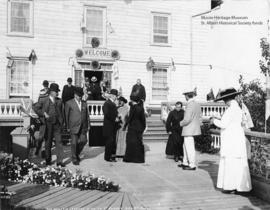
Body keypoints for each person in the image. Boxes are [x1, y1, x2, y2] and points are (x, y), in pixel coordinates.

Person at [211, 88, 252, 193]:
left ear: (226, 99)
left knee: (230, 162)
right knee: (238, 162)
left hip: (231, 140)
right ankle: (240, 186)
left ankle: (231, 186)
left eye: (224, 100)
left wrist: (214, 120)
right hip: (237, 138)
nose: (224, 103)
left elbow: (223, 124)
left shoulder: (230, 109)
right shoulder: (237, 108)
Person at [33, 83, 65, 167]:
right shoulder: (43, 100)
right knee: (48, 143)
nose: (57, 93)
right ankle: (48, 160)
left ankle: (59, 161)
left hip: (57, 124)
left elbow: (62, 113)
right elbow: (35, 108)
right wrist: (43, 113)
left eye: (58, 91)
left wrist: (62, 123)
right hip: (48, 124)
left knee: (59, 142)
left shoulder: (59, 101)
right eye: (55, 91)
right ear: (51, 92)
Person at [65, 87, 90, 165]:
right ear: (75, 95)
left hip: (83, 126)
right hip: (73, 126)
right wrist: (67, 126)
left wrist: (88, 124)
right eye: (78, 96)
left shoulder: (84, 103)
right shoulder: (69, 103)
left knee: (84, 141)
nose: (80, 97)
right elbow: (66, 115)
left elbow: (87, 115)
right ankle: (74, 159)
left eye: (81, 96)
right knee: (74, 143)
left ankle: (76, 153)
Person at [179, 89, 201, 170]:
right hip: (193, 128)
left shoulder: (189, 105)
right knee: (185, 146)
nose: (185, 97)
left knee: (189, 148)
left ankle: (192, 164)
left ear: (187, 96)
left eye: (185, 95)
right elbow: (199, 117)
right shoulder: (197, 104)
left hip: (188, 129)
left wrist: (180, 123)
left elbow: (187, 119)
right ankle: (185, 162)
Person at [123, 95, 146, 163]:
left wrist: (125, 126)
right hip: (139, 128)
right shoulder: (141, 108)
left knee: (130, 143)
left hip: (132, 127)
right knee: (138, 143)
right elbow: (143, 119)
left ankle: (130, 158)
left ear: (133, 101)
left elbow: (129, 118)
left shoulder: (132, 108)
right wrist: (143, 127)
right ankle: (139, 159)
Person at [102, 89, 119, 162]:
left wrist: (118, 117)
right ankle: (107, 157)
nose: (116, 97)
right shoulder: (107, 103)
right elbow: (106, 114)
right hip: (108, 126)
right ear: (112, 95)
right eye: (115, 96)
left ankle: (112, 156)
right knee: (109, 142)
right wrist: (114, 119)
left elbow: (113, 113)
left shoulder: (113, 103)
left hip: (113, 126)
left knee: (112, 142)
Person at [236, 94, 254, 160]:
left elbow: (248, 118)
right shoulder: (235, 107)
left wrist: (248, 127)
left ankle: (248, 161)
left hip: (246, 128)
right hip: (240, 129)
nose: (240, 99)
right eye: (238, 98)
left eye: (240, 98)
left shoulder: (244, 106)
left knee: (247, 146)